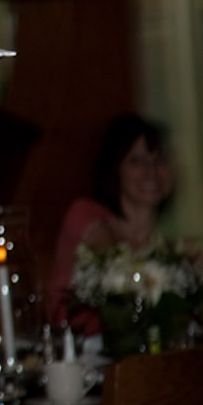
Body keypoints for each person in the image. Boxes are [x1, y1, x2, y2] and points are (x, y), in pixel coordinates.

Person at [47, 113, 175, 328]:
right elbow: (113, 264)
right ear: (114, 169)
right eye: (136, 160)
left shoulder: (163, 246)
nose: (151, 171)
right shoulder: (85, 217)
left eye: (159, 160)